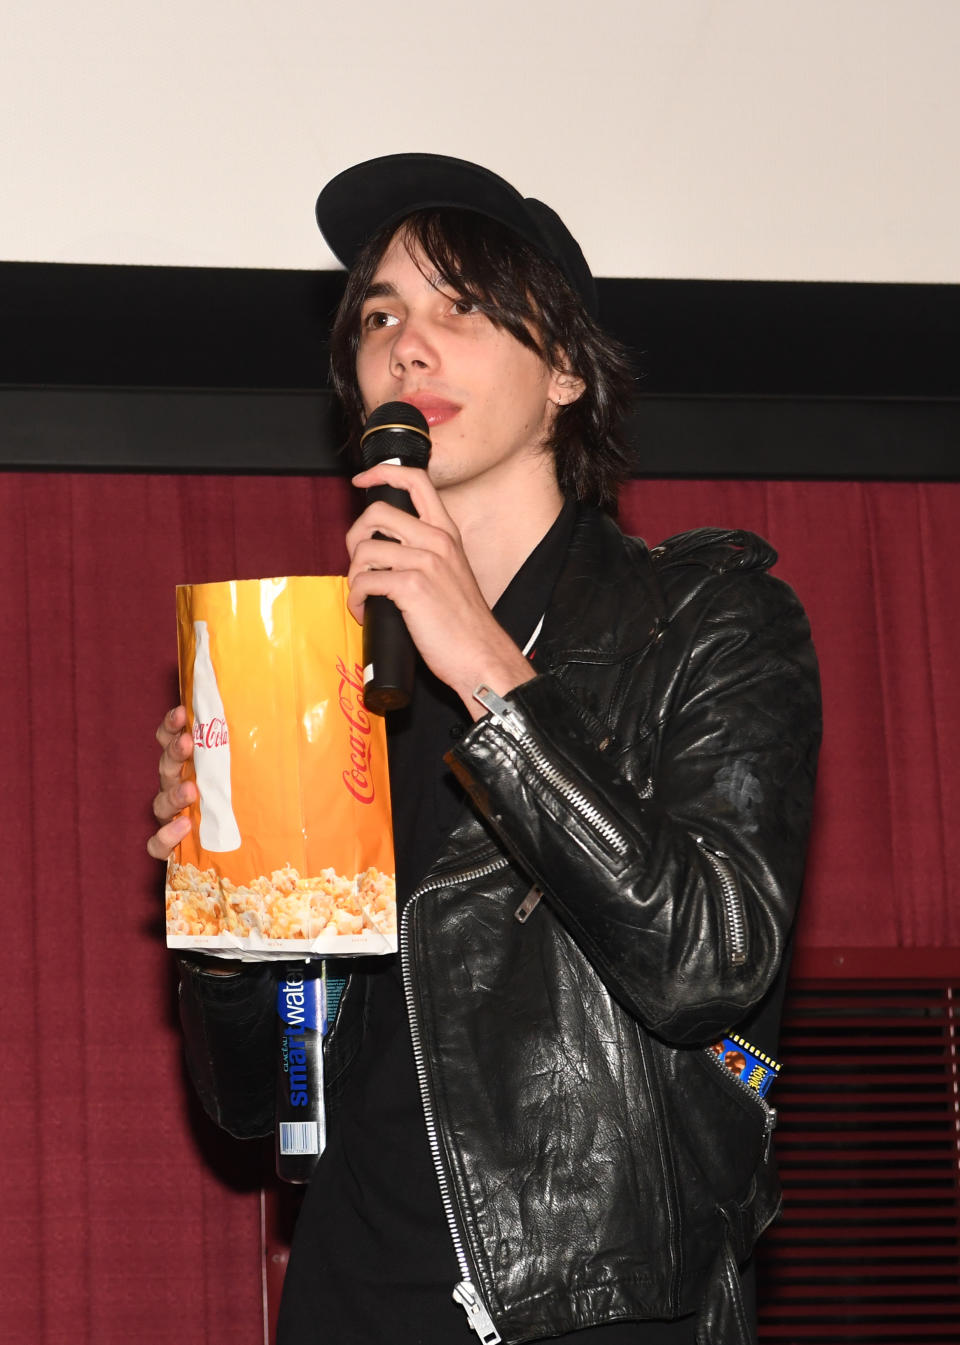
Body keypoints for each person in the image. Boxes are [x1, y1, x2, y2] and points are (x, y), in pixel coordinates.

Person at [149, 154, 821, 1345]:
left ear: (566, 369)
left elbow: (712, 958)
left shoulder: (708, 618)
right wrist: (222, 908)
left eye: (459, 308)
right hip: (352, 1301)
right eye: (380, 315)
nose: (409, 344)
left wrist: (492, 673)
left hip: (595, 1310)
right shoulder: (329, 676)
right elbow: (258, 1103)